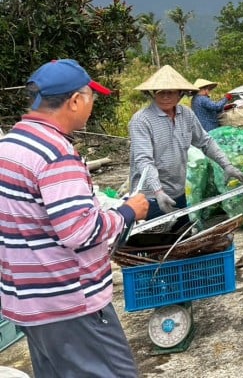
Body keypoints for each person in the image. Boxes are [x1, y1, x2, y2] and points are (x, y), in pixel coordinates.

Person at [0, 59, 149, 378]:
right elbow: (80, 232)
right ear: (76, 100)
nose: (91, 106)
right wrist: (127, 212)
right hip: (69, 303)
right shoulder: (56, 153)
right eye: (91, 98)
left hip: (27, 303)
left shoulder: (10, 146)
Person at [128, 65, 243, 222]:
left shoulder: (185, 114)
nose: (165, 96)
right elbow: (144, 159)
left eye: (170, 92)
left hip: (178, 191)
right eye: (160, 92)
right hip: (149, 197)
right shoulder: (141, 120)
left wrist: (227, 165)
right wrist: (158, 191)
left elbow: (205, 141)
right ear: (152, 94)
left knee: (182, 237)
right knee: (155, 241)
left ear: (180, 94)